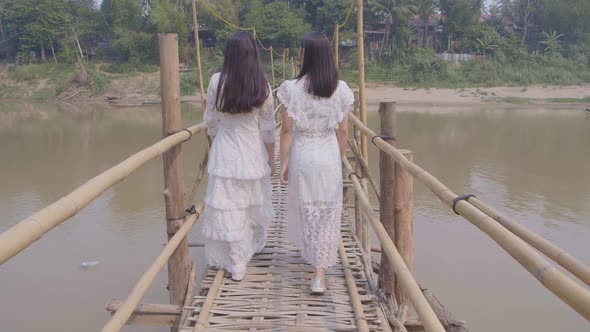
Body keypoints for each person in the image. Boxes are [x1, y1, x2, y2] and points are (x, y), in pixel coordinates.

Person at [278, 31, 353, 294]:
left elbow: (286, 130)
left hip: (303, 156)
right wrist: (340, 158)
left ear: (304, 55)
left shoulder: (291, 89)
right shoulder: (341, 89)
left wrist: (283, 161)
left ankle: (311, 256)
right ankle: (318, 274)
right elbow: (343, 132)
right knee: (326, 212)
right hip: (328, 155)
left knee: (306, 207)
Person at [201, 31, 276, 282]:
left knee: (229, 205)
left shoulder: (216, 82)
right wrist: (272, 159)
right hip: (252, 151)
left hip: (226, 150)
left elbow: (211, 122)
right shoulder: (263, 85)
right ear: (252, 54)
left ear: (229, 54)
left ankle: (236, 261)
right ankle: (249, 247)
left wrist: (214, 145)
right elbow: (267, 130)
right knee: (249, 203)